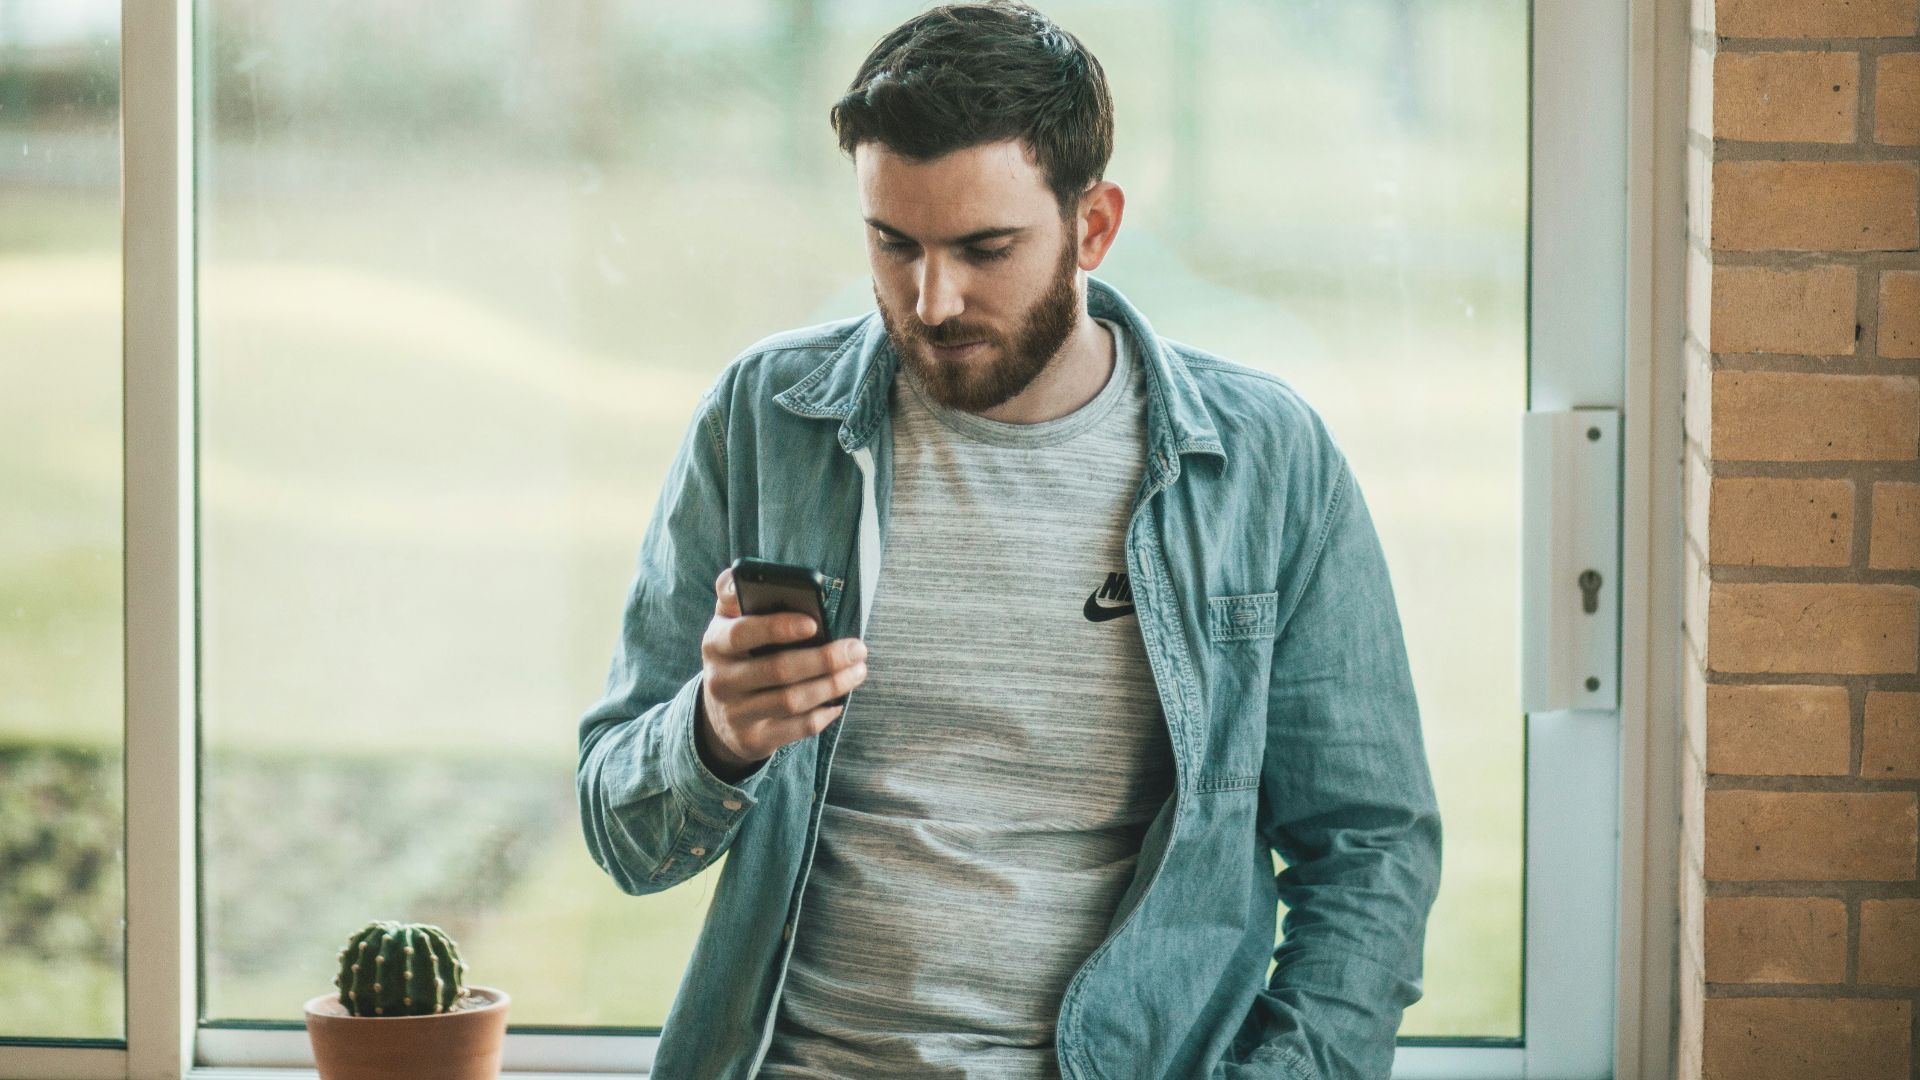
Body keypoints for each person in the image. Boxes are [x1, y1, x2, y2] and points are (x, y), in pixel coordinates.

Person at [575, 3, 1443, 1077]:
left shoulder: (1265, 466)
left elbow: (1369, 853)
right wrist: (714, 734)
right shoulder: (764, 421)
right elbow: (621, 831)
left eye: (986, 249)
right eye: (894, 244)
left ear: (1096, 225)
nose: (932, 300)